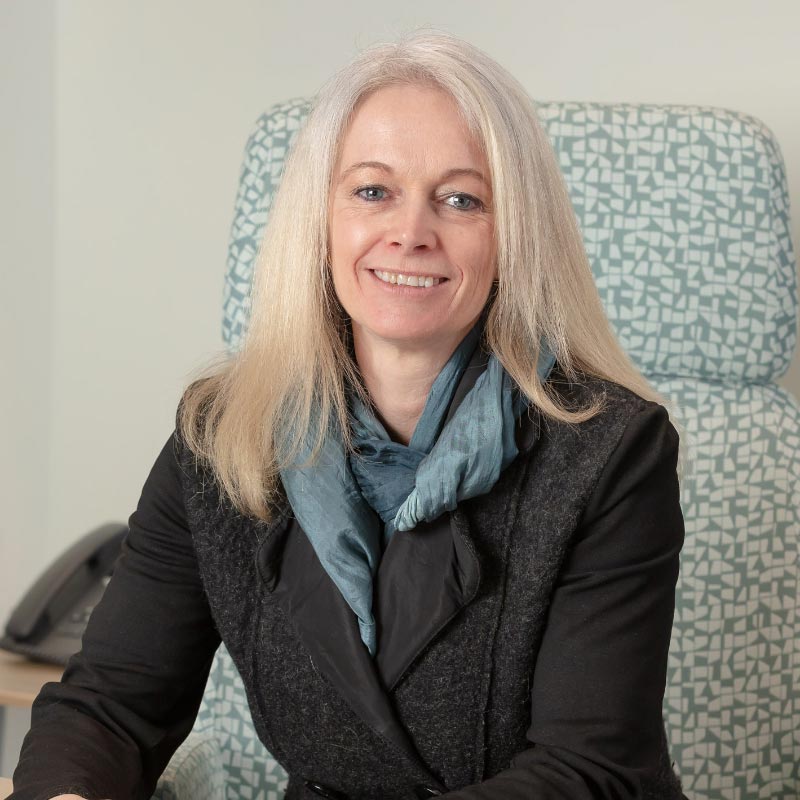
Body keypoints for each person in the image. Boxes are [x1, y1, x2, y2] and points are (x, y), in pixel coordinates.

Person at [11, 30, 686, 800]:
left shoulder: (607, 452)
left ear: (514, 237)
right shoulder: (222, 437)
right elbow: (109, 706)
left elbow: (586, 771)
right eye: (373, 191)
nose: (410, 232)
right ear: (320, 217)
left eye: (461, 199)